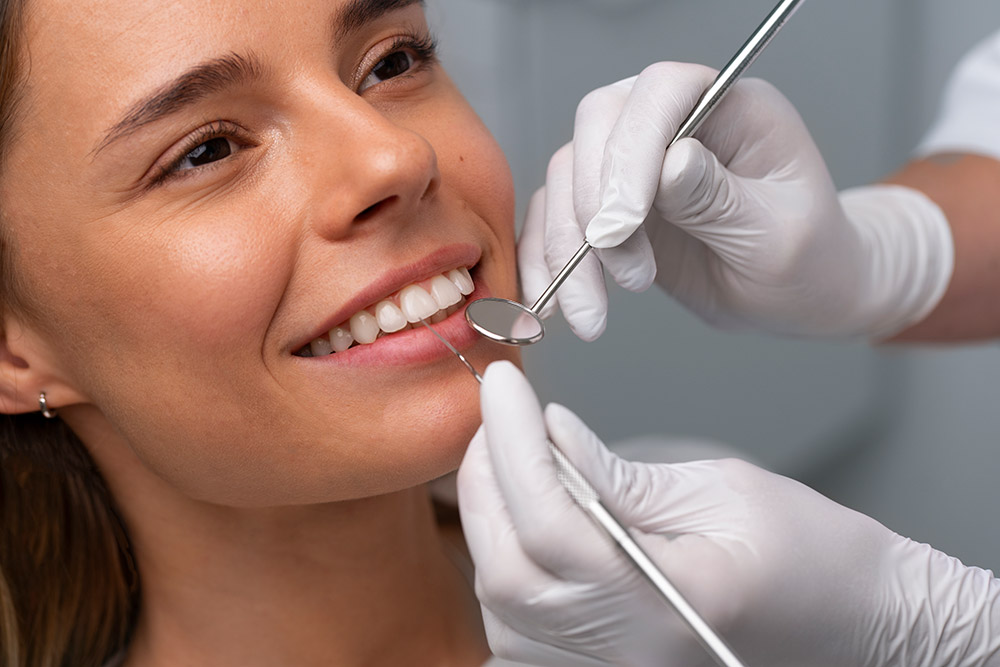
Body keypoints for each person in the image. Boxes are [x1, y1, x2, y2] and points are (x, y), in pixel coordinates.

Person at [0, 0, 529, 665]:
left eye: (392, 62)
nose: (396, 156)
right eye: (206, 152)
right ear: (10, 350)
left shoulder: (687, 573)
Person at [457, 26, 1000, 667]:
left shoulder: (692, 495)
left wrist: (947, 629)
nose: (395, 160)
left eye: (394, 63)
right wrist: (886, 252)